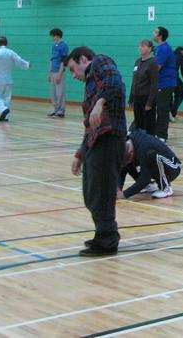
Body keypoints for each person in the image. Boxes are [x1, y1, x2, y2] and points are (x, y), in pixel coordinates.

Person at [66, 46, 127, 256]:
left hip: (110, 138)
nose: (73, 75)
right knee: (91, 193)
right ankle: (103, 233)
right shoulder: (90, 86)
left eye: (73, 69)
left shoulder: (100, 62)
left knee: (102, 192)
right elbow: (89, 126)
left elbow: (114, 81)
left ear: (84, 59)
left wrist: (100, 103)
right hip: (96, 141)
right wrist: (80, 154)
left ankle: (107, 241)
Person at [118, 129, 181, 199]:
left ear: (131, 151)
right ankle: (148, 186)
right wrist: (118, 189)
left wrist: (125, 194)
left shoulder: (144, 147)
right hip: (158, 166)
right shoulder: (127, 143)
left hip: (173, 167)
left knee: (153, 156)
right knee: (128, 164)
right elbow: (123, 170)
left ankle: (166, 188)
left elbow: (145, 179)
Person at [128, 39, 158, 135]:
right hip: (137, 98)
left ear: (149, 49)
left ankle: (150, 142)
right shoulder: (137, 61)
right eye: (140, 46)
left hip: (146, 98)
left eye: (143, 46)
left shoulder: (153, 63)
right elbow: (134, 81)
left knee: (149, 125)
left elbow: (154, 84)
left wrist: (149, 102)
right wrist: (131, 99)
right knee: (138, 123)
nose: (140, 48)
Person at [152, 26, 176, 141]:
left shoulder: (164, 49)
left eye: (155, 32)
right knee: (150, 107)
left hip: (165, 83)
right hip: (159, 83)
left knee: (162, 110)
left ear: (160, 36)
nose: (153, 33)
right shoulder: (157, 48)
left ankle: (161, 136)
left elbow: (157, 68)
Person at [48, 28, 69, 118]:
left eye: (53, 36)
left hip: (59, 71)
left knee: (60, 92)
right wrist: (49, 72)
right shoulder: (53, 46)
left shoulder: (64, 46)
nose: (53, 38)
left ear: (57, 35)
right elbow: (51, 59)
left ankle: (61, 111)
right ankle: (56, 109)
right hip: (52, 71)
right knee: (53, 92)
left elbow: (64, 60)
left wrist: (60, 73)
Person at [170, 45, 183, 121]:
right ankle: (172, 113)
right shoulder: (182, 56)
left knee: (168, 96)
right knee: (180, 93)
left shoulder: (170, 54)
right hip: (173, 77)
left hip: (163, 78)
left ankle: (169, 114)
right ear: (182, 52)